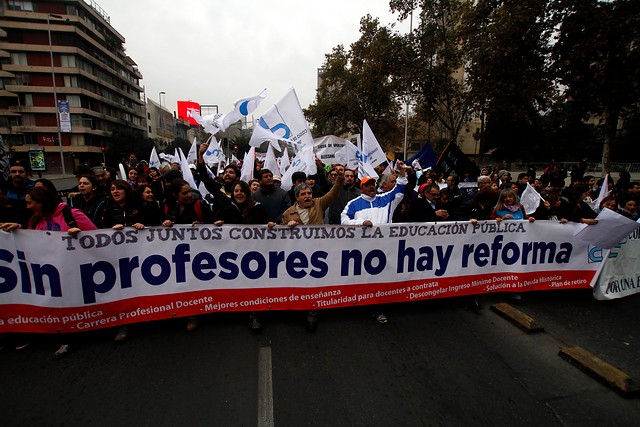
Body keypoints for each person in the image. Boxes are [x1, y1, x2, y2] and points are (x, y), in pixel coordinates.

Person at [0, 186, 97, 359]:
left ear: (41, 202)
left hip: (74, 269)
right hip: (50, 271)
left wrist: (78, 235)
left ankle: (76, 333)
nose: (27, 207)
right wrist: (19, 231)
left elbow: (98, 238)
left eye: (30, 203)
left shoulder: (71, 214)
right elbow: (33, 242)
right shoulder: (36, 220)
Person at [341, 161, 409, 323]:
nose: (371, 187)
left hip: (383, 248)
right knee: (363, 279)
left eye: (373, 184)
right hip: (362, 249)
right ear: (361, 187)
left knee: (380, 279)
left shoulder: (385, 199)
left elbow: (400, 189)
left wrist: (402, 172)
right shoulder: (353, 204)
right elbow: (343, 221)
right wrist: (360, 223)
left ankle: (378, 309)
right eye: (367, 185)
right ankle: (360, 303)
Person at [214, 181, 269, 331]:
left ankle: (254, 313)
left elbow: (268, 227)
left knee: (253, 284)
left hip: (255, 254)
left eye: (241, 191)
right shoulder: (227, 209)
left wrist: (270, 226)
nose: (238, 193)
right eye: (236, 191)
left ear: (247, 192)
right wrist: (217, 226)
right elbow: (219, 228)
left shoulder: (258, 208)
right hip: (234, 255)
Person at [162, 178, 214, 332]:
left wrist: (202, 226)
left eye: (190, 191)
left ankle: (193, 314)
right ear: (175, 195)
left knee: (194, 281)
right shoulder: (166, 205)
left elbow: (213, 225)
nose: (189, 195)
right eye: (185, 193)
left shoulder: (199, 204)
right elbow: (156, 226)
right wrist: (165, 224)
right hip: (175, 252)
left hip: (198, 252)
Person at [3, 160, 35, 228]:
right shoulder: (4, 191)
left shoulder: (35, 189)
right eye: (14, 172)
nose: (17, 174)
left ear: (27, 174)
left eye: (20, 171)